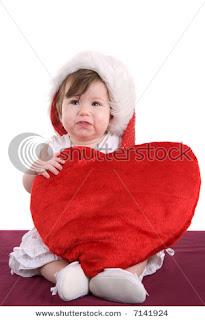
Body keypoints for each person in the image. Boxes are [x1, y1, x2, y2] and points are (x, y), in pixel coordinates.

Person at [9, 51, 172, 304]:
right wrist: (38, 169)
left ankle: (123, 278)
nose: (84, 111)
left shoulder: (117, 145)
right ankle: (68, 276)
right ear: (59, 110)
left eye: (96, 104)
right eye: (74, 102)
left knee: (143, 245)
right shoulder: (55, 147)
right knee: (40, 251)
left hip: (109, 225)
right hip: (65, 227)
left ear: (112, 114)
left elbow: (137, 186)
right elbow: (30, 187)